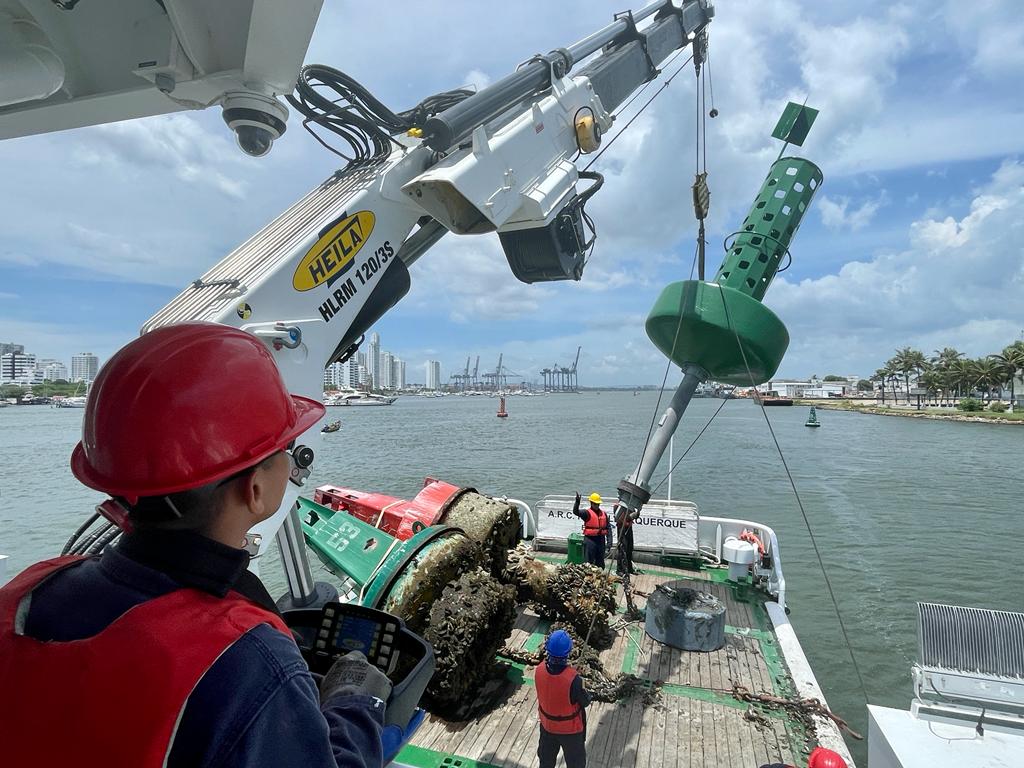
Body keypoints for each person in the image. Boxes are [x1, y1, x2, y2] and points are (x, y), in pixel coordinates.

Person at [0, 322, 391, 768]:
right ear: (256, 490)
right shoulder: (250, 665)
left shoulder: (23, 595)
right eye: (286, 446)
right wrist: (357, 705)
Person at [535, 629, 590, 768]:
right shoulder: (574, 679)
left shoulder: (539, 669)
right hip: (570, 731)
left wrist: (570, 672)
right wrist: (577, 679)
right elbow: (585, 701)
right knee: (576, 763)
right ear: (568, 652)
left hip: (547, 726)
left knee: (546, 762)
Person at [573, 492, 612, 568]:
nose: (597, 505)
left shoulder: (604, 514)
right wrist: (577, 502)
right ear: (591, 503)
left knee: (600, 563)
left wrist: (609, 543)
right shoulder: (586, 513)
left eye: (598, 504)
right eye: (595, 504)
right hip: (590, 541)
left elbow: (608, 529)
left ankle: (600, 578)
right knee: (588, 563)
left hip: (601, 541)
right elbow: (576, 512)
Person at [614, 504, 640, 576]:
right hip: (622, 528)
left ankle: (629, 568)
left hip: (629, 528)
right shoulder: (618, 506)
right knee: (622, 549)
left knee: (629, 548)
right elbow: (618, 518)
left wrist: (638, 512)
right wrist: (630, 516)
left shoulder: (631, 506)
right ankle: (620, 569)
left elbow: (634, 516)